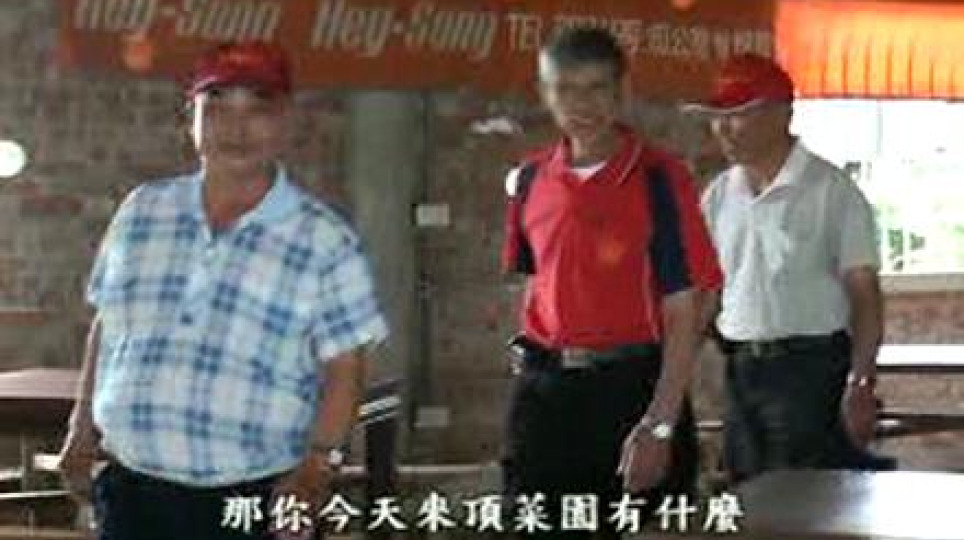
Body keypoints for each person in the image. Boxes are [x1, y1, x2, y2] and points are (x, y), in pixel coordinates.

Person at [57, 42, 389, 540]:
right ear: (191, 117)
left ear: (286, 120)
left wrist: (316, 468)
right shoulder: (143, 211)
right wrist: (81, 429)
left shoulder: (324, 239)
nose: (237, 127)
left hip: (254, 498)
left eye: (258, 108)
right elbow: (108, 324)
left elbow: (347, 368)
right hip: (132, 490)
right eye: (217, 107)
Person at [500, 27, 723, 539]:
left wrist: (660, 423)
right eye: (566, 89)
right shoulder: (531, 179)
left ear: (622, 92)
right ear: (546, 94)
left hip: (630, 389)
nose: (582, 105)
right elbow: (533, 281)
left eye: (597, 88)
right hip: (546, 394)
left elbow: (687, 307)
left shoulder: (658, 177)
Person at [692, 53, 884, 483]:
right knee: (747, 494)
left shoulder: (831, 191)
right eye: (717, 117)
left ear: (782, 114)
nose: (723, 128)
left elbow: (864, 295)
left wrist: (860, 382)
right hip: (741, 370)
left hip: (810, 371)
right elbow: (707, 291)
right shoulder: (719, 195)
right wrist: (674, 372)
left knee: (804, 498)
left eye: (737, 115)